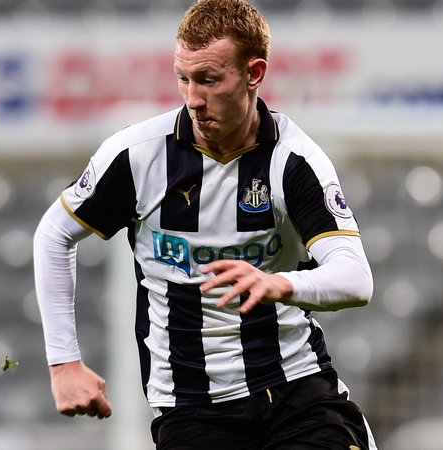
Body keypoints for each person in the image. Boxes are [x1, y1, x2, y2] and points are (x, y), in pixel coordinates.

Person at [33, 0, 377, 448]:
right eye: (183, 78)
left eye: (210, 80)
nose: (193, 99)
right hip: (190, 407)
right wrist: (63, 363)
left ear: (254, 74)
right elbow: (54, 234)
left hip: (296, 388)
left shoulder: (295, 162)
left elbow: (356, 279)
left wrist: (280, 285)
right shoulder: (137, 155)